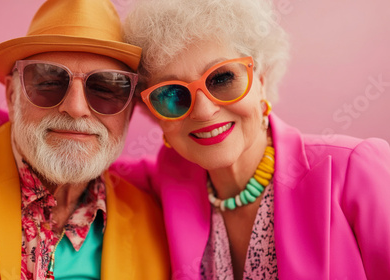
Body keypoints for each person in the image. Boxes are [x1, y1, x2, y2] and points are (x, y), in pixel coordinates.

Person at [0, 0, 170, 279]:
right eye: (49, 82)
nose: (76, 108)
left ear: (130, 110)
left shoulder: (156, 223)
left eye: (105, 88)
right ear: (12, 96)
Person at [117, 0, 390, 279]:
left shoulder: (355, 170)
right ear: (153, 112)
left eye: (222, 78)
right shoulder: (160, 185)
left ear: (261, 78)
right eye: (172, 94)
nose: (204, 111)